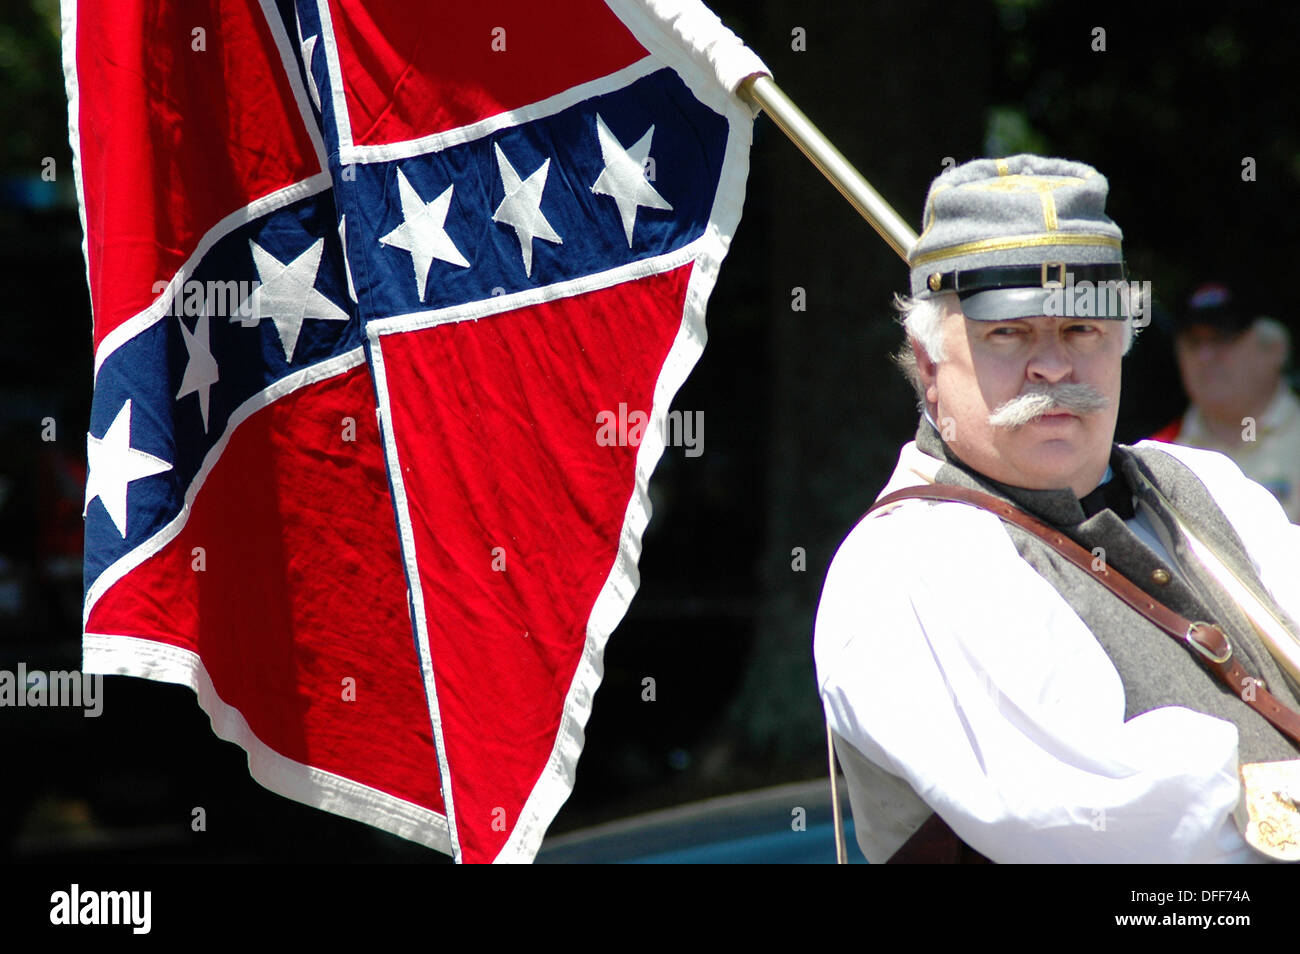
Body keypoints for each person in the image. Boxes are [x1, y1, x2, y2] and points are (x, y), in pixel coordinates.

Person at [814, 155, 1300, 863]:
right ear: (927, 363)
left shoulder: (1201, 483)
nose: (1053, 367)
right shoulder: (911, 561)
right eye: (1007, 333)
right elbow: (1111, 830)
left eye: (1082, 331)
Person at [1151, 283, 1300, 522]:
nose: (1205, 356)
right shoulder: (1155, 453)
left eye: (1223, 338)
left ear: (1274, 349)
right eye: (1193, 342)